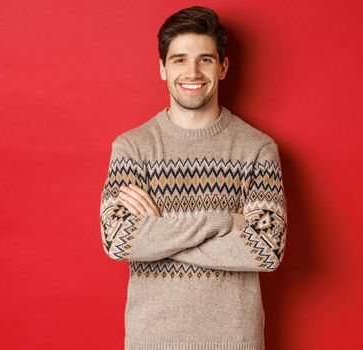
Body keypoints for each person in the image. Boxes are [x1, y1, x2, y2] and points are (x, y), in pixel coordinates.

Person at [99, 6, 287, 350]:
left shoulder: (257, 149)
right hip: (151, 339)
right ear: (162, 68)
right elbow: (118, 242)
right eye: (179, 59)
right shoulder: (132, 148)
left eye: (205, 59)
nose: (193, 72)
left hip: (235, 340)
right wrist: (224, 221)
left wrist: (160, 233)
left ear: (223, 67)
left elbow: (266, 250)